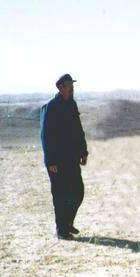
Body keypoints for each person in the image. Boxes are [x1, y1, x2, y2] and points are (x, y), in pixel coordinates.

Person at [40, 74, 88, 240]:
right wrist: (50, 161)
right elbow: (45, 135)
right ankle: (61, 231)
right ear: (60, 87)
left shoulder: (72, 105)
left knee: (78, 192)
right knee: (60, 196)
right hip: (57, 161)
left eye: (72, 85)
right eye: (68, 85)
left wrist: (84, 151)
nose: (72, 88)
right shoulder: (51, 107)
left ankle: (67, 223)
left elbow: (78, 130)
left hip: (72, 159)